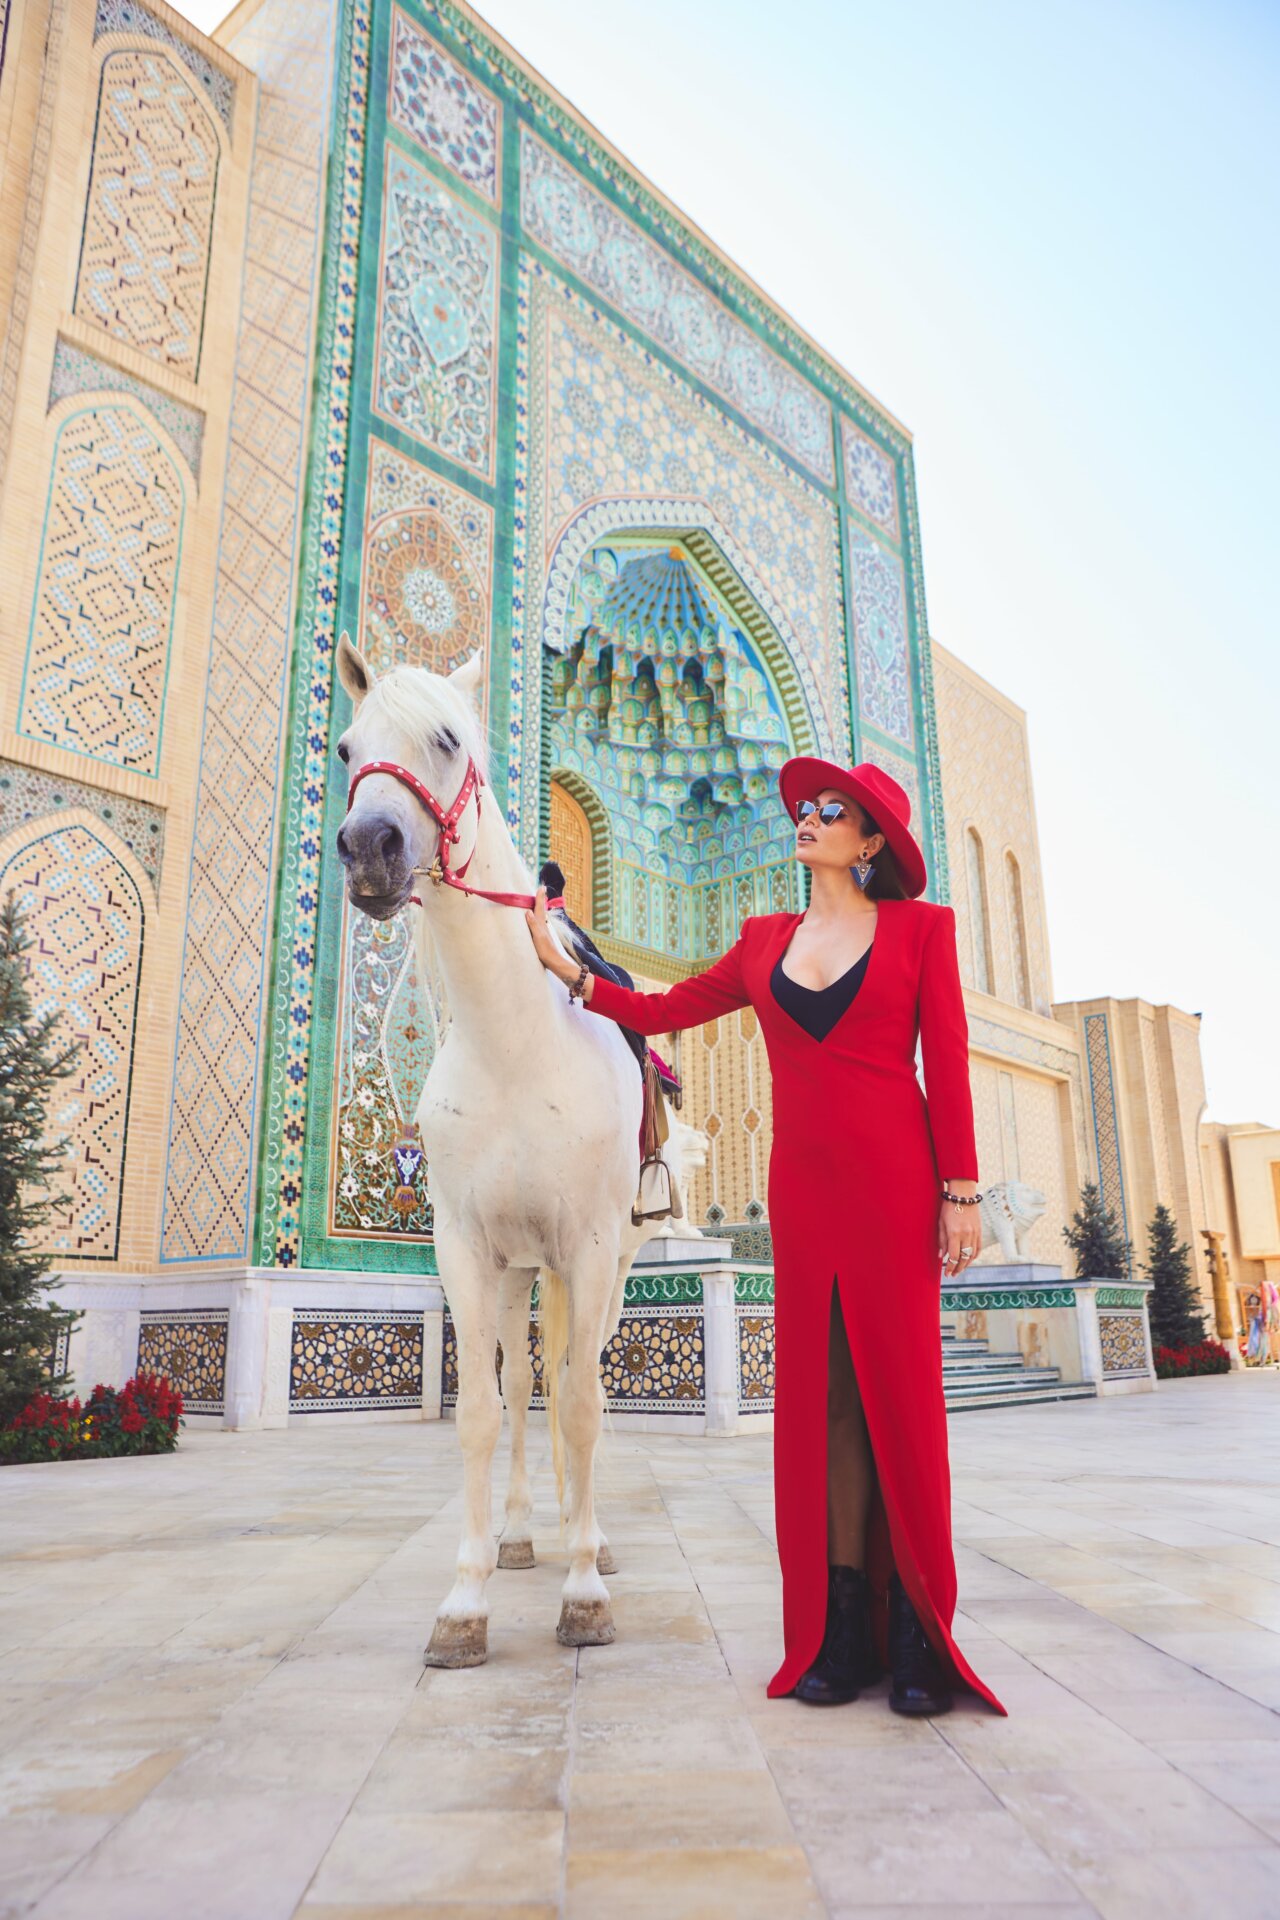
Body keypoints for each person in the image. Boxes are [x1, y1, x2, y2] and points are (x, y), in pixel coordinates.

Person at [525, 756, 1007, 1717]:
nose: (809, 818)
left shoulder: (922, 930)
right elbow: (663, 1012)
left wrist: (961, 1191)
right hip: (807, 1196)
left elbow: (946, 1062)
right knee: (827, 1408)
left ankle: (918, 1631)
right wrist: (569, 970)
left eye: (833, 810)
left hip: (898, 1185)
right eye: (806, 807)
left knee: (901, 1401)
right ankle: (840, 1632)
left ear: (869, 843)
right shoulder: (760, 943)